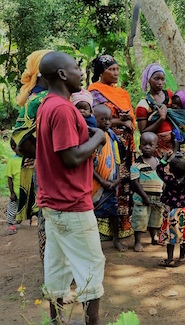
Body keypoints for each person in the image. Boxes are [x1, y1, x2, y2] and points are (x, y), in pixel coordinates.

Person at [36, 51, 106, 325]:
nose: (81, 73)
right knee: (91, 266)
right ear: (63, 74)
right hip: (71, 203)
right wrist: (98, 137)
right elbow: (71, 156)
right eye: (77, 68)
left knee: (58, 266)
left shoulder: (48, 104)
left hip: (53, 203)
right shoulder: (64, 109)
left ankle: (56, 322)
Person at [89, 55, 135, 241]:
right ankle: (100, 228)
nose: (116, 73)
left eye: (117, 69)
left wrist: (128, 122)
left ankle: (122, 226)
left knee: (123, 182)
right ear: (101, 72)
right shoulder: (93, 92)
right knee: (105, 179)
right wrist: (120, 121)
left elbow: (130, 116)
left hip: (126, 144)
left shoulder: (122, 93)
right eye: (111, 70)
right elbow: (94, 118)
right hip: (105, 143)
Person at [12, 49, 51, 259]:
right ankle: (50, 266)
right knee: (48, 214)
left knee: (46, 215)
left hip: (38, 165)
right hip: (45, 168)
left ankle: (50, 266)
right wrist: (47, 155)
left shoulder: (38, 95)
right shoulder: (41, 98)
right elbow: (17, 140)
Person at [92, 104, 125, 251]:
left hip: (111, 182)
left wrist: (117, 179)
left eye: (109, 119)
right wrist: (101, 180)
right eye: (103, 119)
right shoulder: (92, 136)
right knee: (92, 215)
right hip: (95, 183)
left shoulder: (112, 137)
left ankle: (116, 240)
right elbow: (88, 164)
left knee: (113, 213)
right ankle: (93, 244)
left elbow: (117, 160)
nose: (107, 122)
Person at [157, 152, 185, 267]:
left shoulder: (169, 180)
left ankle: (170, 259)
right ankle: (182, 256)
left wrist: (165, 158)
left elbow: (159, 169)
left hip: (173, 212)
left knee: (171, 236)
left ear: (170, 170)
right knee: (184, 236)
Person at [130, 132, 165, 252]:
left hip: (158, 197)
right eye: (144, 144)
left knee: (155, 219)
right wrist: (144, 196)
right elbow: (135, 182)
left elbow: (164, 176)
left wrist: (164, 187)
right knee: (140, 218)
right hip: (142, 198)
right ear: (140, 147)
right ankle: (138, 242)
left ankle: (154, 237)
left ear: (156, 147)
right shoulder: (137, 164)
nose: (147, 147)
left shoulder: (159, 162)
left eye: (151, 145)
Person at [136, 63, 176, 156]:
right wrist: (161, 119)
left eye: (162, 79)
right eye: (156, 79)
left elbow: (179, 113)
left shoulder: (170, 96)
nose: (160, 82)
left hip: (173, 144)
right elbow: (143, 132)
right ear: (149, 80)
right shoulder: (144, 104)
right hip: (155, 148)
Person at [5, 140, 22, 235]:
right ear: (13, 147)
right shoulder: (12, 161)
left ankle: (19, 219)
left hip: (26, 192)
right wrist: (12, 192)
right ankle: (10, 223)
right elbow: (10, 178)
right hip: (15, 192)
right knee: (12, 208)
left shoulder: (28, 159)